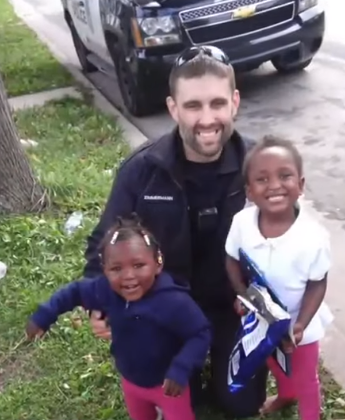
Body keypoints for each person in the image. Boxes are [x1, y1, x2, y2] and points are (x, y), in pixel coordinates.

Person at [82, 46, 268, 418]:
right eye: (193, 106)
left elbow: (289, 234)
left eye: (217, 103)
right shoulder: (142, 171)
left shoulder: (260, 165)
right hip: (167, 308)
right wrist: (99, 305)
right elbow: (102, 246)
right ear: (173, 109)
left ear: (234, 102)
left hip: (235, 306)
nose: (207, 118)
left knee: (241, 404)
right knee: (187, 399)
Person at [26, 216, 211, 420]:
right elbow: (75, 292)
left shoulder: (174, 301)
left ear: (158, 263)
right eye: (116, 269)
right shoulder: (104, 289)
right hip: (130, 381)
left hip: (168, 384)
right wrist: (45, 315)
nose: (128, 275)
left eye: (139, 265)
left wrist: (181, 368)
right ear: (104, 269)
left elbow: (200, 333)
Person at [225, 135, 334, 420]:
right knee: (273, 361)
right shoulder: (241, 223)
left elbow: (317, 282)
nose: (274, 185)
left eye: (284, 175)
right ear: (249, 191)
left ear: (301, 185)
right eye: (262, 179)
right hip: (261, 320)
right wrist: (242, 295)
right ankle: (286, 395)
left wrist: (300, 325)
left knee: (305, 378)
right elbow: (231, 259)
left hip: (300, 326)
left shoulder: (314, 237)